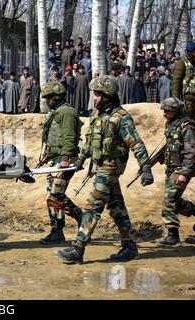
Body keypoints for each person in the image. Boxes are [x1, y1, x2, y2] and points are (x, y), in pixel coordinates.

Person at [55, 75, 154, 264]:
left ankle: (78, 249)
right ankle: (130, 247)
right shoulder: (97, 114)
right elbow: (90, 141)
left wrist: (146, 168)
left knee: (92, 206)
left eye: (98, 94)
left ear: (108, 95)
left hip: (111, 168)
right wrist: (80, 160)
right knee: (117, 207)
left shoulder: (121, 118)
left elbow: (136, 144)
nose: (95, 98)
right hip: (99, 166)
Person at [38, 81, 83, 244]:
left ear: (56, 97)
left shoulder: (67, 113)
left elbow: (69, 138)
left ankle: (58, 231)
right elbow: (54, 137)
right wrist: (48, 155)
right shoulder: (56, 112)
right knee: (56, 194)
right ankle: (80, 217)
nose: (47, 101)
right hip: (56, 160)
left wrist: (64, 159)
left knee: (55, 195)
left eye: (49, 98)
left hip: (65, 161)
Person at [156, 97, 195, 246]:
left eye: (167, 111)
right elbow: (172, 143)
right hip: (171, 168)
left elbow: (191, 152)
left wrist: (185, 173)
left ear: (176, 111)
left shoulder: (187, 126)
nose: (164, 113)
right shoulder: (171, 123)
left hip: (181, 170)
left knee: (168, 200)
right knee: (176, 201)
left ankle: (173, 234)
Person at [172, 41, 195, 120]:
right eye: (188, 52)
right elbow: (176, 81)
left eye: (191, 52)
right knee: (188, 119)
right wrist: (175, 98)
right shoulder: (182, 63)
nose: (190, 54)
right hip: (188, 97)